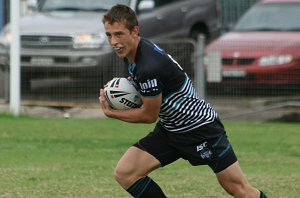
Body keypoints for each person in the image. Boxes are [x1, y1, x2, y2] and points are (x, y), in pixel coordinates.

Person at [99, 4, 267, 198]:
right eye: (109, 35)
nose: (114, 42)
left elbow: (148, 115)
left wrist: (112, 113)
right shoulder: (131, 52)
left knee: (240, 190)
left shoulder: (149, 65)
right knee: (126, 173)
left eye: (119, 34)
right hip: (171, 130)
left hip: (201, 129)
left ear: (135, 31)